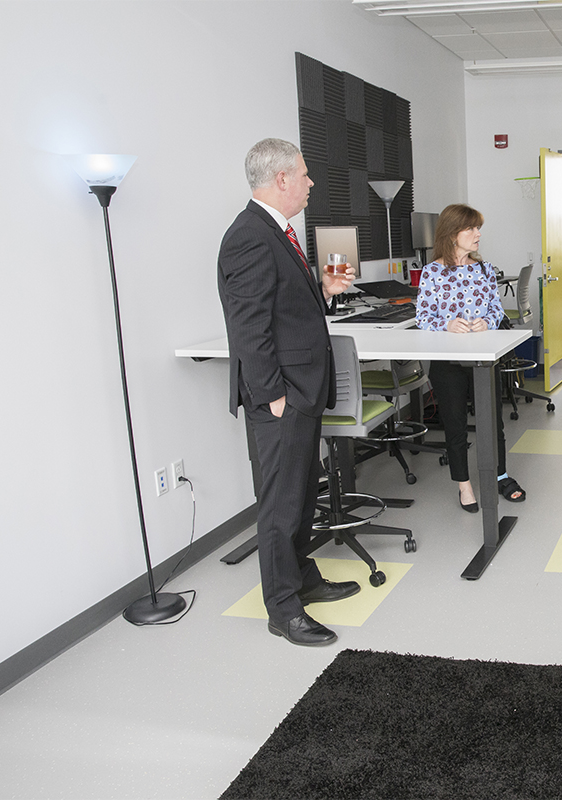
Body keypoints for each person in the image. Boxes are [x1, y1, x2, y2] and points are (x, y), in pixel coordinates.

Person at [218, 138, 360, 647]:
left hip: (299, 389)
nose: (310, 182)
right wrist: (273, 395)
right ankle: (282, 608)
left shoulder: (278, 232)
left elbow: (281, 310)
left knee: (302, 495)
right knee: (279, 506)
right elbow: (248, 327)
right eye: (304, 174)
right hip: (282, 396)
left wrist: (322, 290)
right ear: (280, 179)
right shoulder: (250, 237)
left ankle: (303, 579)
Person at [415, 203, 526, 511]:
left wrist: (486, 322)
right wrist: (446, 324)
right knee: (455, 423)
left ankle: (501, 475)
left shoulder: (484, 269)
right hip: (447, 361)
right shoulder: (432, 272)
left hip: (483, 359)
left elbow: (496, 309)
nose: (478, 234)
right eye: (471, 229)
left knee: (493, 423)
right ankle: (463, 485)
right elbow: (423, 317)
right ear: (452, 234)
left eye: (479, 228)